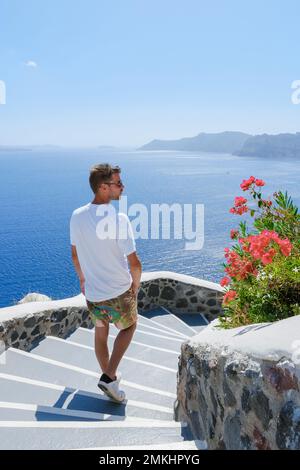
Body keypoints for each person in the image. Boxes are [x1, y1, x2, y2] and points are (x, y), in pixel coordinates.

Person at [70, 163, 142, 403]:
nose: (123, 186)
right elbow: (134, 263)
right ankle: (109, 376)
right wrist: (135, 286)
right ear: (103, 187)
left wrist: (83, 279)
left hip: (93, 293)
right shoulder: (119, 219)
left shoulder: (77, 216)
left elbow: (75, 254)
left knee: (101, 333)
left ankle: (110, 381)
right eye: (118, 183)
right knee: (129, 327)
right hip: (119, 291)